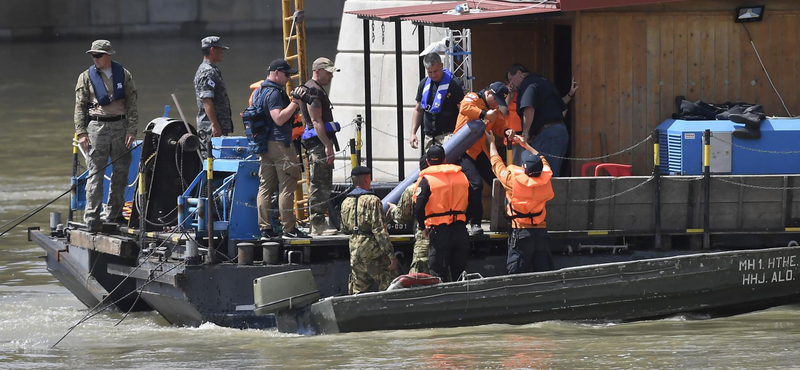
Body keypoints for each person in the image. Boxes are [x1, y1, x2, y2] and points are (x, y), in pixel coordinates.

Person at [74, 39, 138, 232]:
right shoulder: (85, 77)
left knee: (120, 173)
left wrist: (131, 130)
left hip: (120, 126)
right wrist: (82, 133)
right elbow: (79, 107)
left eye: (98, 55)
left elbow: (132, 104)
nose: (95, 59)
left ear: (108, 55)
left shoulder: (124, 75)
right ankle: (92, 217)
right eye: (93, 56)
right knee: (95, 173)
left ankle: (115, 215)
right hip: (96, 128)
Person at [254, 58, 310, 239]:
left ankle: (265, 229)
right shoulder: (275, 93)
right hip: (279, 144)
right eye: (286, 75)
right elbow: (278, 118)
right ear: (276, 73)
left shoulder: (259, 91)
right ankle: (289, 229)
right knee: (288, 185)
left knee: (265, 187)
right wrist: (295, 102)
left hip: (264, 144)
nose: (288, 79)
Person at [486, 130, 555, 273]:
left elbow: (496, 163)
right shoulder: (546, 178)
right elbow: (541, 159)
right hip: (541, 233)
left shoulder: (512, 181)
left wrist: (492, 142)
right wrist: (526, 145)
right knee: (544, 273)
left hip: (521, 233)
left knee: (516, 274)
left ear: (524, 168)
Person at [453, 81, 516, 236]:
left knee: (500, 180)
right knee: (476, 185)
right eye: (496, 100)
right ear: (489, 93)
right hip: (463, 151)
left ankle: (507, 217)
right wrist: (483, 114)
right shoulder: (472, 97)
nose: (497, 105)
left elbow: (500, 124)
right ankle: (475, 222)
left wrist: (507, 131)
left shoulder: (493, 109)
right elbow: (464, 108)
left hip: (479, 150)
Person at [507, 63, 578, 176]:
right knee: (552, 173)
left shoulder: (528, 84)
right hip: (560, 132)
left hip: (546, 135)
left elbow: (529, 108)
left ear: (519, 73)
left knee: (543, 175)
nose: (511, 83)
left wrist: (525, 134)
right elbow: (562, 109)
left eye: (511, 79)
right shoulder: (545, 82)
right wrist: (569, 95)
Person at [413, 145, 470, 282]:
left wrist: (422, 227)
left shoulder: (427, 180)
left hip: (439, 232)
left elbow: (419, 206)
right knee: (460, 275)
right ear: (444, 159)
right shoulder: (461, 175)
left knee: (438, 274)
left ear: (427, 162)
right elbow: (473, 198)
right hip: (460, 229)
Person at [341, 166, 399, 294]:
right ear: (367, 179)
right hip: (372, 251)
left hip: (355, 250)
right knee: (389, 279)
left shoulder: (345, 202)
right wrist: (391, 256)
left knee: (359, 287)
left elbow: (344, 228)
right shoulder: (373, 200)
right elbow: (379, 231)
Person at [299, 57, 340, 236]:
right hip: (318, 144)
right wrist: (327, 145)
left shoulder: (311, 88)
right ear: (318, 71)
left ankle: (319, 222)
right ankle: (317, 224)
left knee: (323, 183)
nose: (331, 76)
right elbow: (316, 121)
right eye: (328, 72)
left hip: (319, 143)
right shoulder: (314, 92)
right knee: (319, 184)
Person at [410, 53, 465, 151]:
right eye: (430, 72)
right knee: (429, 165)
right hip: (429, 137)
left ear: (441, 66)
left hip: (448, 135)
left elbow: (463, 111)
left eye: (436, 71)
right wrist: (413, 133)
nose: (433, 75)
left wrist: (460, 134)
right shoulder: (423, 84)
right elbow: (418, 110)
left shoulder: (454, 84)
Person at [386, 157, 431, 274]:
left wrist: (393, 210)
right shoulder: (451, 184)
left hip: (425, 236)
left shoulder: (413, 189)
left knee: (418, 276)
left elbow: (402, 217)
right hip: (452, 233)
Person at [194, 36, 233, 143]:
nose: (222, 53)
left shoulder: (211, 70)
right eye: (220, 50)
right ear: (213, 50)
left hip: (215, 126)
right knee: (211, 157)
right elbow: (206, 99)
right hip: (210, 129)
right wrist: (214, 125)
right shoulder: (208, 72)